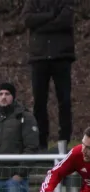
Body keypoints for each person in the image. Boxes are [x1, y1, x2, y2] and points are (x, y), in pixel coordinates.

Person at [23, 0, 75, 152]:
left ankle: (64, 140)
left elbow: (65, 21)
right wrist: (51, 15)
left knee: (64, 101)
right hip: (39, 57)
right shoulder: (33, 2)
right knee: (39, 101)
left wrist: (40, 25)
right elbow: (27, 20)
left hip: (62, 57)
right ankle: (41, 142)